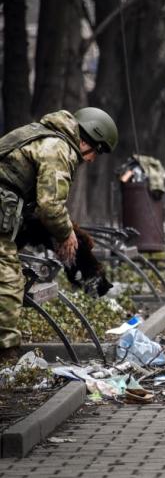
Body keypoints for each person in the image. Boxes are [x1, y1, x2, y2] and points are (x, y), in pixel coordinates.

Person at [0, 107, 118, 361]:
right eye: (96, 152)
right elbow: (51, 207)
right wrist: (66, 234)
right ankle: (5, 357)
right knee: (8, 284)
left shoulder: (44, 136)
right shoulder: (58, 148)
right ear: (87, 139)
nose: (92, 160)